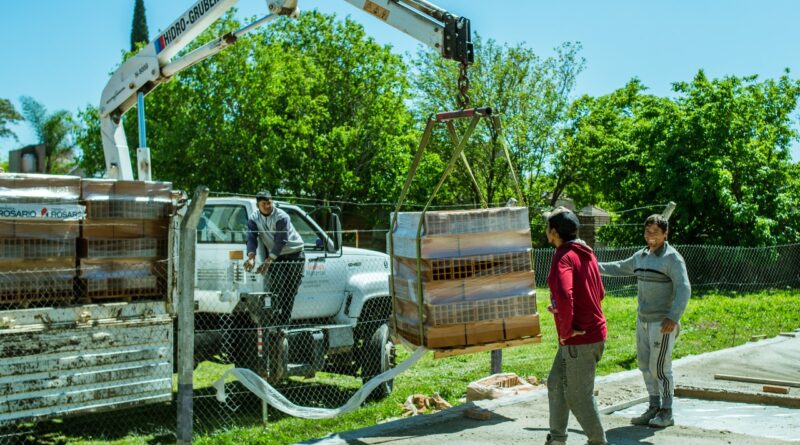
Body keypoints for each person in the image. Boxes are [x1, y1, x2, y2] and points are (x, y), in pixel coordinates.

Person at [598, 214, 691, 428]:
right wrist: (591, 264)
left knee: (660, 367)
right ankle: (653, 406)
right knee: (645, 365)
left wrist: (673, 317)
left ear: (665, 234)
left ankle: (666, 412)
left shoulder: (672, 258)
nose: (651, 237)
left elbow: (684, 289)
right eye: (647, 232)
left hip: (663, 322)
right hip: (643, 321)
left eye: (655, 233)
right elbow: (619, 267)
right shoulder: (641, 256)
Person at [544, 207, 608, 445]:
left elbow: (563, 291)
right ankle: (558, 439)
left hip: (579, 338)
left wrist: (567, 326)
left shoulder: (563, 255)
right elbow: (599, 292)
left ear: (553, 232)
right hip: (590, 333)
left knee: (579, 396)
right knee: (556, 383)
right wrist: (564, 311)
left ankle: (598, 441)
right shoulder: (586, 253)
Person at [244, 190, 305, 327]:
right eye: (264, 203)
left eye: (269, 202)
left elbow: (281, 241)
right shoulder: (254, 218)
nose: (267, 206)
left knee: (290, 290)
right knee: (276, 289)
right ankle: (273, 321)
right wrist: (251, 258)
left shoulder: (281, 216)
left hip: (294, 254)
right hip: (276, 256)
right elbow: (251, 238)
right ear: (257, 205)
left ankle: (284, 324)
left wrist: (268, 261)